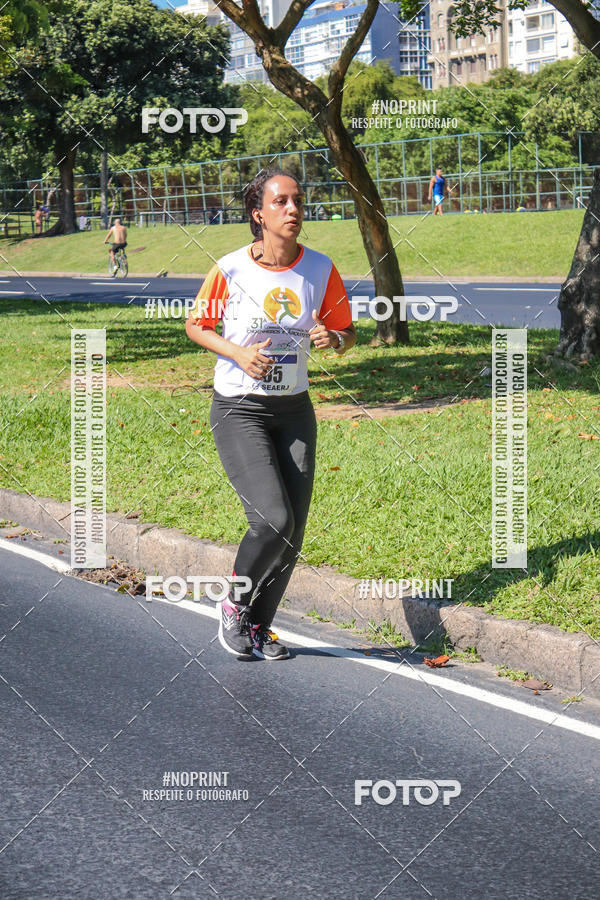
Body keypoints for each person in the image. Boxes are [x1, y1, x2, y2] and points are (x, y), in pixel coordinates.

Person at [185, 168, 356, 660]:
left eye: (298, 201)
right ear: (258, 213)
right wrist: (237, 354)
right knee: (272, 518)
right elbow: (197, 325)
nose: (294, 209)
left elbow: (347, 333)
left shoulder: (321, 269)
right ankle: (234, 605)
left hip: (294, 410)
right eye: (281, 202)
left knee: (294, 528)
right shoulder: (233, 268)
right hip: (240, 408)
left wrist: (335, 339)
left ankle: (259, 626)